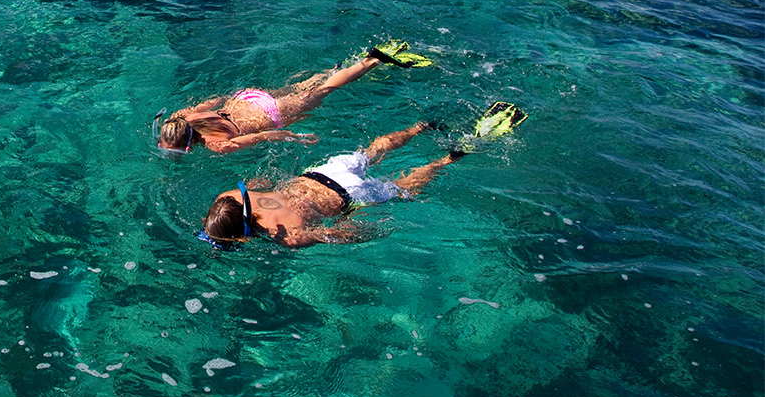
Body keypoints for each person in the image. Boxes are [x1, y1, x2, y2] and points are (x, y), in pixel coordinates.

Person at [198, 102, 528, 250]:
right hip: (321, 173)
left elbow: (339, 234)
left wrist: (369, 230)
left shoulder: (288, 239)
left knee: (402, 188)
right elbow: (261, 183)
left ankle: (450, 157)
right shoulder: (230, 196)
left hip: (348, 197)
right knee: (371, 151)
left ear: (240, 236)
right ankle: (421, 126)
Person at [156, 41, 433, 156]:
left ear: (188, 147)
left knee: (324, 92)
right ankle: (334, 68)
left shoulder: (218, 146)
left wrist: (296, 137)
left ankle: (372, 60)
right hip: (247, 99)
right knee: (304, 89)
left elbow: (262, 137)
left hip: (269, 114)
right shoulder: (182, 116)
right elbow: (214, 100)